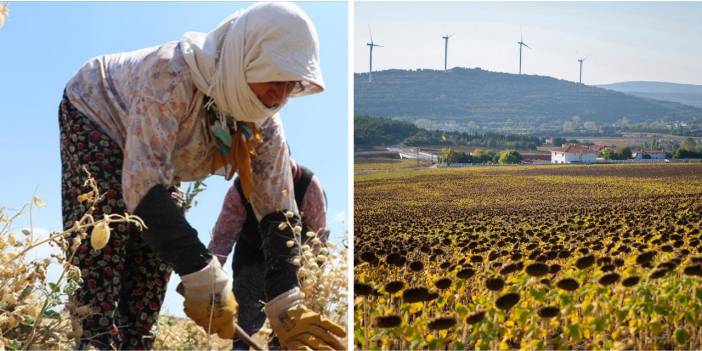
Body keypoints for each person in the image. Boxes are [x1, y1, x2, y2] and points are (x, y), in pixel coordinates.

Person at [59, 2, 345, 350]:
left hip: (155, 161)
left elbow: (278, 209)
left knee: (151, 268)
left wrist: (287, 299)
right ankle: (96, 340)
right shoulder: (171, 74)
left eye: (292, 83)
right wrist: (202, 271)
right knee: (103, 245)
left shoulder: (265, 126)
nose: (280, 95)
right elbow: (143, 184)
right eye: (276, 77)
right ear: (247, 57)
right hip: (98, 115)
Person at [209, 158, 329, 350]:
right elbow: (224, 235)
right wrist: (209, 278)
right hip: (251, 261)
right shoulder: (240, 189)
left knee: (286, 329)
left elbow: (318, 235)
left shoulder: (308, 184)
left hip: (295, 264)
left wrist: (310, 275)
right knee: (244, 325)